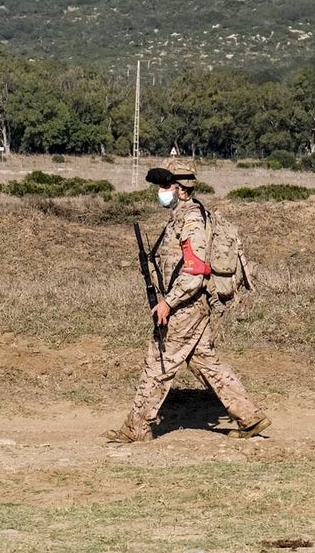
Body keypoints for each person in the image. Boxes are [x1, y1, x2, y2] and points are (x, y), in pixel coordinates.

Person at [104, 159, 270, 443]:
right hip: (190, 304)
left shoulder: (191, 219)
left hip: (186, 306)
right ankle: (250, 417)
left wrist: (168, 302)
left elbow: (195, 272)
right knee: (205, 362)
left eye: (165, 185)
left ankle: (136, 427)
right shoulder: (182, 216)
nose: (160, 190)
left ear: (181, 189)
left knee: (158, 362)